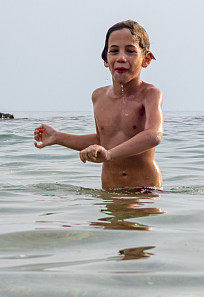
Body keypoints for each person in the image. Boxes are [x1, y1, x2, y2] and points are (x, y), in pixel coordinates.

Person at [34, 20, 163, 190]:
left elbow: (153, 135)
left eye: (130, 51)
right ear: (105, 60)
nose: (121, 58)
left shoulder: (150, 94)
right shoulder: (98, 96)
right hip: (109, 192)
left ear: (146, 59)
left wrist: (109, 154)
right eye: (114, 51)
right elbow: (102, 140)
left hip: (146, 192)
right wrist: (58, 137)